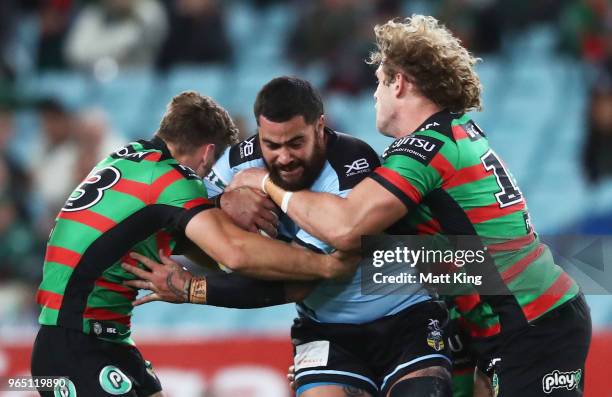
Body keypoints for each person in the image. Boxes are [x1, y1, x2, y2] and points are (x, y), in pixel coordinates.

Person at [231, 15, 592, 397]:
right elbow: (425, 257)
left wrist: (267, 183)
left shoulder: (426, 148)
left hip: (532, 319)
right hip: (495, 323)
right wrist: (337, 359)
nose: (375, 95)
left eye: (378, 83)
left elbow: (347, 229)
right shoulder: (450, 134)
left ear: (398, 82)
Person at [124, 77, 453, 397]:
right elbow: (183, 222)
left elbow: (301, 280)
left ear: (319, 127)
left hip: (405, 316)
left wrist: (194, 288)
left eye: (296, 143)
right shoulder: (237, 162)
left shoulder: (352, 164)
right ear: (259, 134)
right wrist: (220, 202)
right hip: (326, 331)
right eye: (272, 145)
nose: (283, 157)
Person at [30, 91, 354, 397]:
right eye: (213, 171)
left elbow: (212, 255)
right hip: (75, 344)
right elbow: (236, 253)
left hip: (99, 339)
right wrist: (325, 265)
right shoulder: (172, 181)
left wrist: (221, 210)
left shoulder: (128, 160)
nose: (210, 181)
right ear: (208, 153)